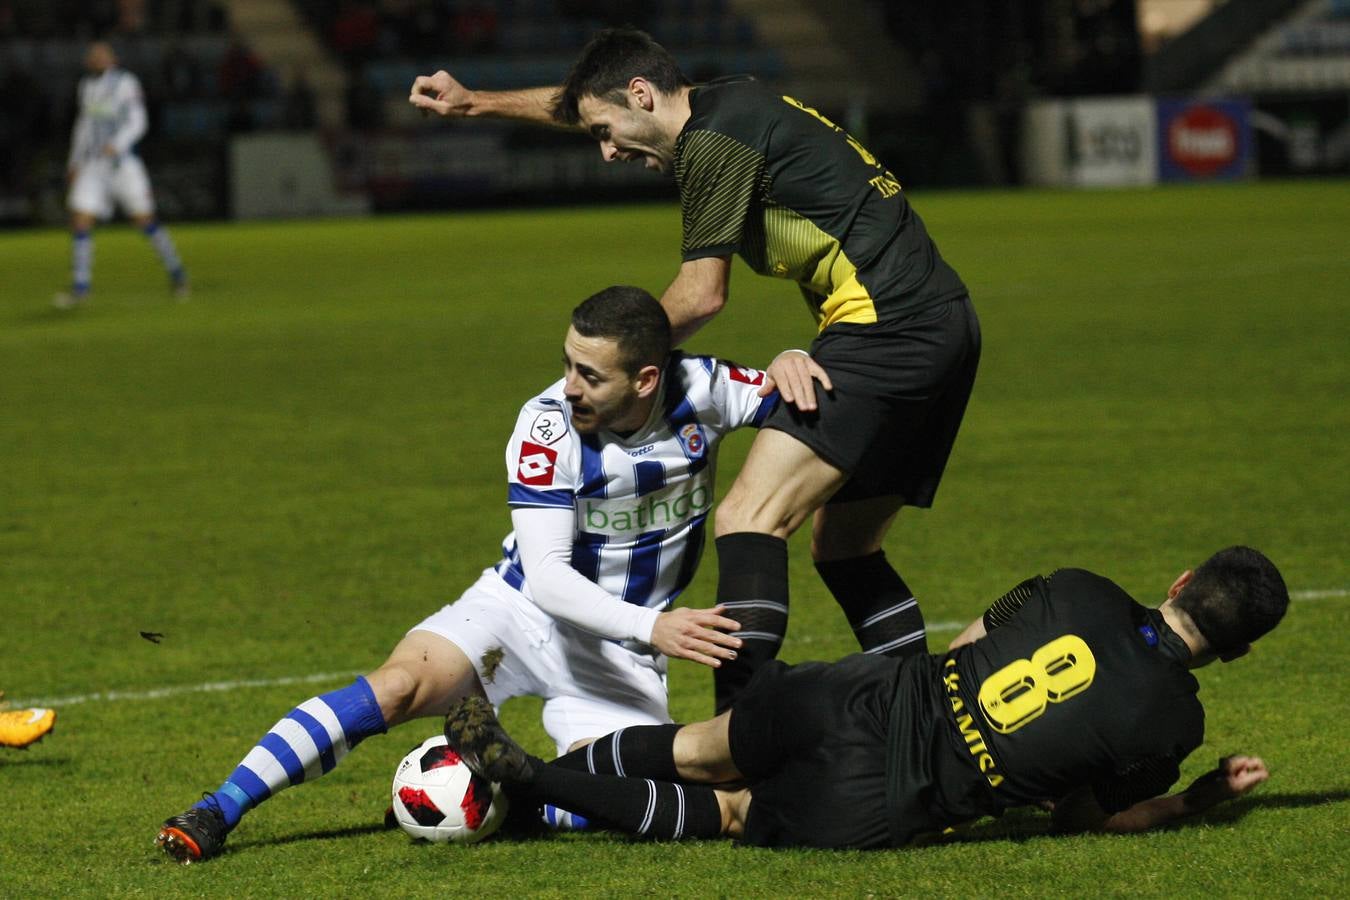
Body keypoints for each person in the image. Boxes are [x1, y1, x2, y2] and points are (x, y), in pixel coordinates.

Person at [410, 28, 981, 711]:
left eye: (606, 131)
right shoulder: (723, 106)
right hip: (945, 325)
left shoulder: (712, 145)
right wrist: (476, 104)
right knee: (845, 547)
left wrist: (596, 369)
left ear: (643, 96)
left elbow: (700, 295)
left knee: (747, 520)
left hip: (886, 330)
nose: (607, 150)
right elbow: (583, 102)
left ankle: (733, 745)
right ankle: (927, 723)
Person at [155, 285, 775, 863]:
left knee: (607, 793)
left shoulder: (704, 387)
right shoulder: (546, 425)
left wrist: (797, 358)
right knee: (397, 685)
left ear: (646, 379)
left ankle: (510, 789)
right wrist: (655, 626)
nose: (569, 387)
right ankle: (218, 809)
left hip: (622, 652)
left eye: (589, 375)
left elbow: (803, 405)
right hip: (521, 610)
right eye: (566, 364)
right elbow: (550, 578)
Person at [445, 546, 1287, 849]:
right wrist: (1201, 797)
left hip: (864, 695)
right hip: (890, 797)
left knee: (701, 745)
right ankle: (531, 785)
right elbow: (1083, 818)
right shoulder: (1176, 726)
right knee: (734, 813)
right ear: (1240, 651)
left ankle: (514, 785)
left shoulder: (1079, 586)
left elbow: (970, 646)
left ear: (1182, 579)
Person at [54, 41, 188, 309]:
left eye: (103, 54)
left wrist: (118, 144)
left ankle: (178, 274)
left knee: (144, 220)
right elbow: (83, 127)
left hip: (122, 164)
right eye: (94, 55)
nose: (98, 58)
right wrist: (74, 162)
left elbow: (139, 121)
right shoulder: (86, 87)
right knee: (80, 220)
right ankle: (81, 288)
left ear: (113, 59)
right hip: (92, 166)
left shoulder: (126, 83)